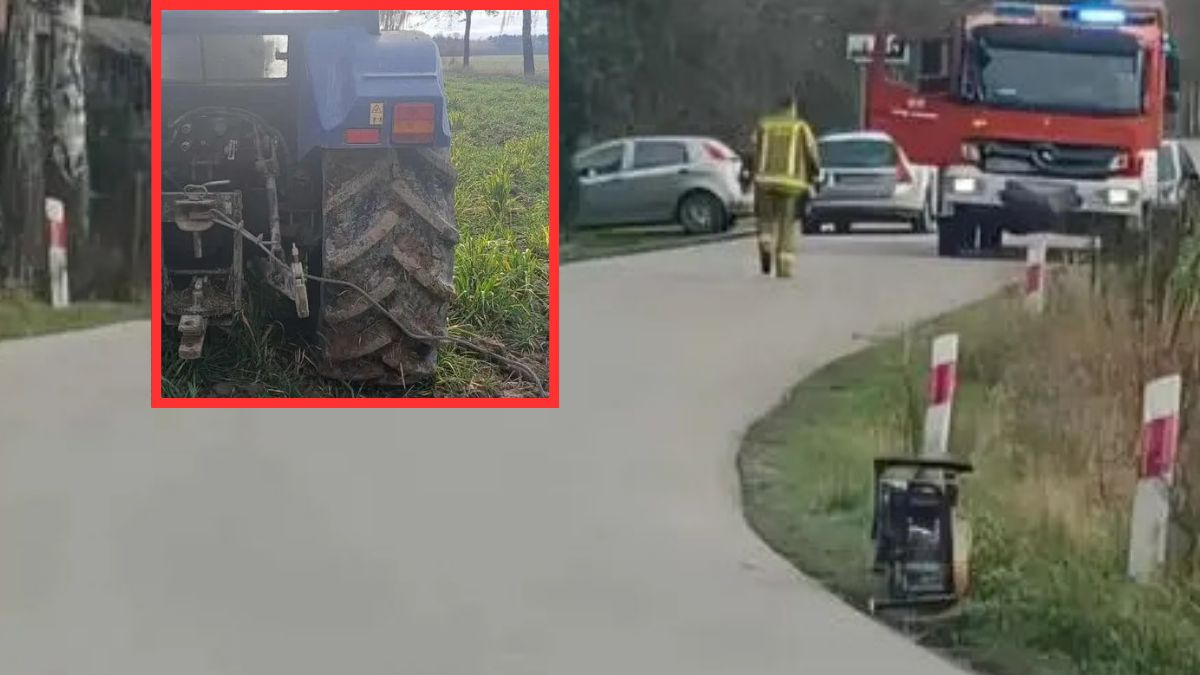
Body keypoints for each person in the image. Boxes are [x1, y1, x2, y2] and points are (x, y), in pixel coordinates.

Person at [752, 93, 821, 278]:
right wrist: (815, 174)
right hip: (791, 183)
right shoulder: (800, 126)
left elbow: (753, 149)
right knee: (786, 224)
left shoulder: (764, 125)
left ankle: (766, 243)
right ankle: (784, 268)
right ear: (792, 107)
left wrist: (751, 176)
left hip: (765, 181)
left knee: (765, 219)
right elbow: (812, 152)